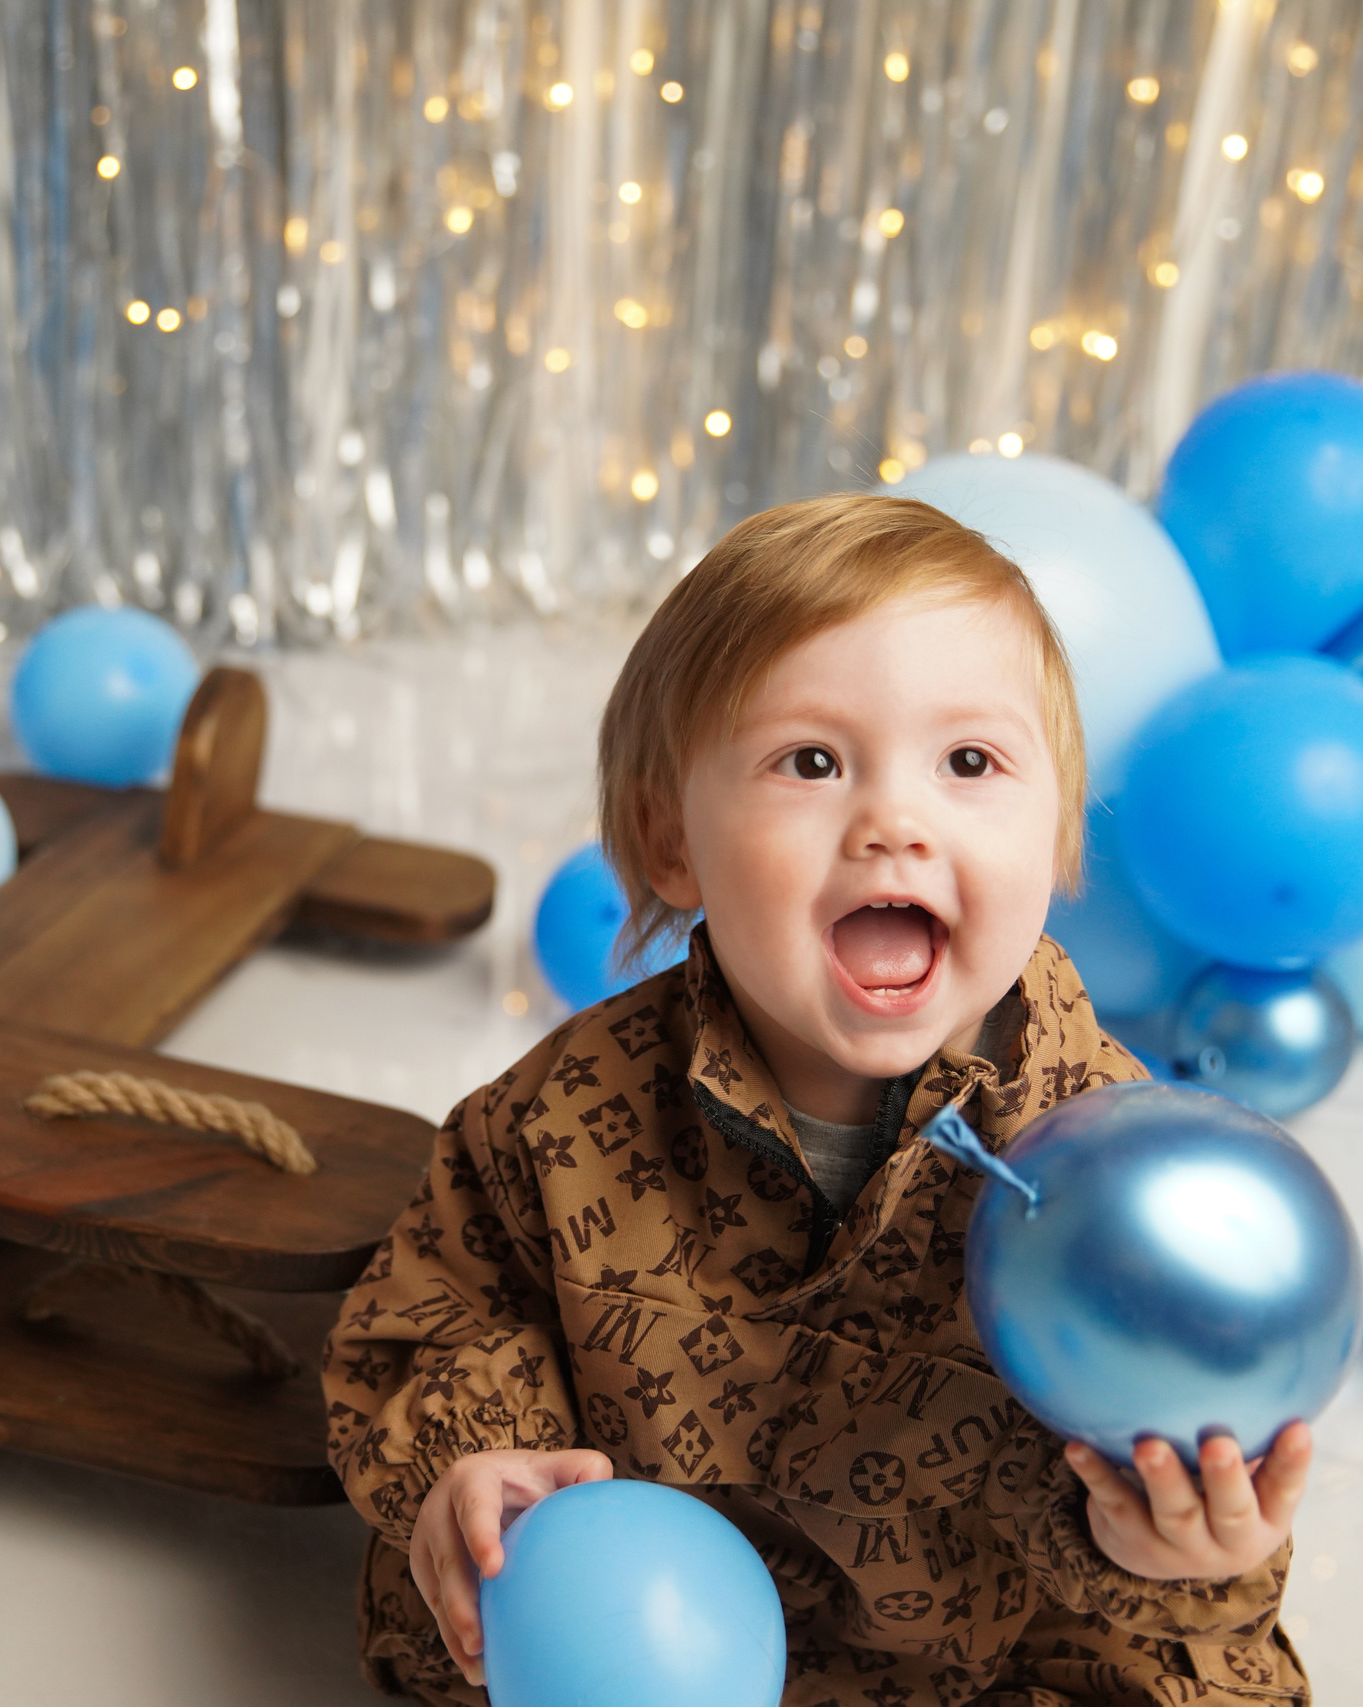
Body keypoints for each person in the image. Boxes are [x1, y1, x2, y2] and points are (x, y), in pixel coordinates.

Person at [323, 493, 1313, 1706]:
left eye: (969, 762)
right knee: (459, 1606)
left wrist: (1172, 1548)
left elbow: (1186, 1424)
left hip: (993, 1639)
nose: (894, 822)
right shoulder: (567, 1111)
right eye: (811, 761)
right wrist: (485, 1461)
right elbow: (445, 1307)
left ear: (1055, 834)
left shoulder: (1124, 1175)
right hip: (659, 1616)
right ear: (670, 842)